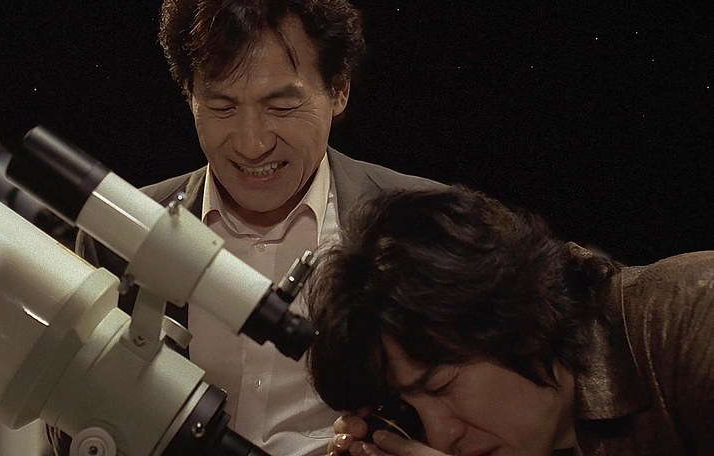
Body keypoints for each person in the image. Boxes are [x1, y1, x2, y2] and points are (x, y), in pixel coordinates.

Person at [46, 1, 444, 455]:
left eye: (282, 105)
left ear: (339, 91)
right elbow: (71, 422)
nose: (252, 144)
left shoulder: (424, 224)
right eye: (222, 106)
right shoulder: (118, 232)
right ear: (189, 95)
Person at [306, 187, 714, 456]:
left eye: (441, 386)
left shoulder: (695, 318)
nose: (444, 437)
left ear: (515, 317)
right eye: (409, 410)